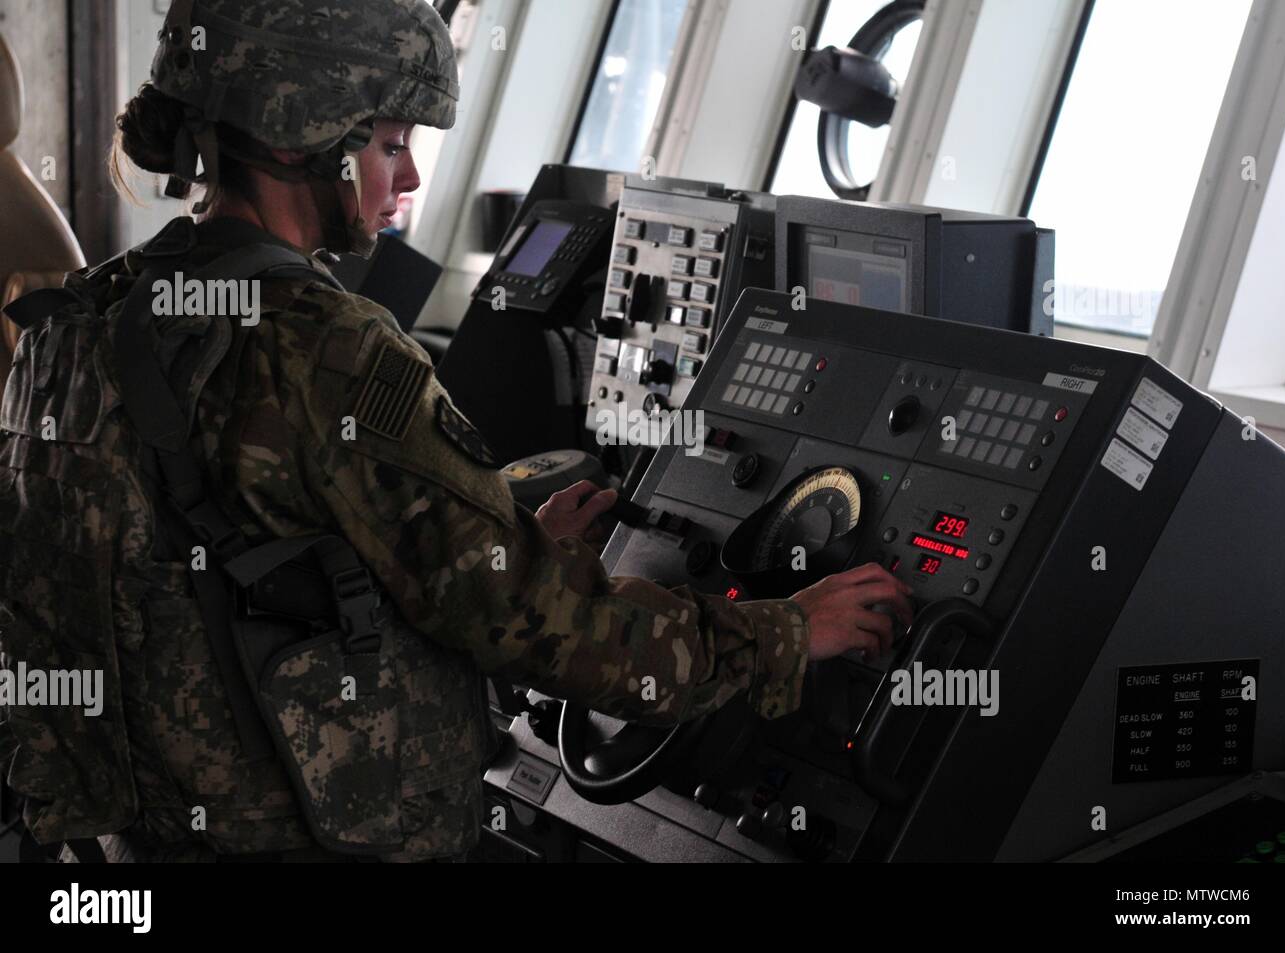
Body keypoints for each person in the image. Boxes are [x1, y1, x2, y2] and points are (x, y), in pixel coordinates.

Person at [0, 0, 912, 863]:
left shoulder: (74, 322)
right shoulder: (333, 352)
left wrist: (506, 542)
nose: (410, 176)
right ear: (299, 135)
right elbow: (550, 631)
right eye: (391, 142)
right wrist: (789, 632)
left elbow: (214, 580)